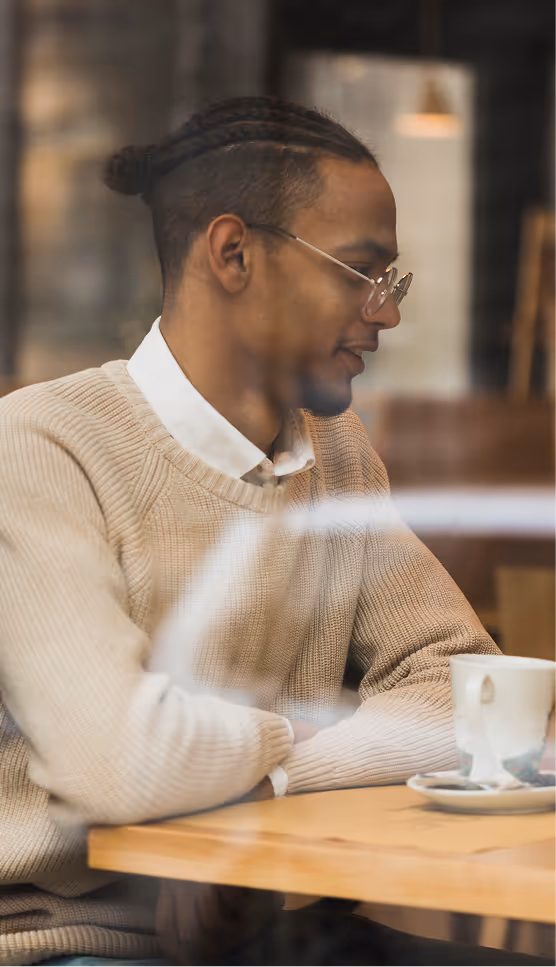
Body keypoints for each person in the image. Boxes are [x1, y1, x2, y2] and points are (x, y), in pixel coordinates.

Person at [0, 96, 547, 967]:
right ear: (233, 252)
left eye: (393, 281)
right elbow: (123, 761)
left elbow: (464, 696)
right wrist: (312, 736)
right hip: (73, 940)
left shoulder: (335, 452)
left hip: (272, 922)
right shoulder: (39, 448)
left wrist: (263, 782)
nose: (387, 312)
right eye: (362, 272)